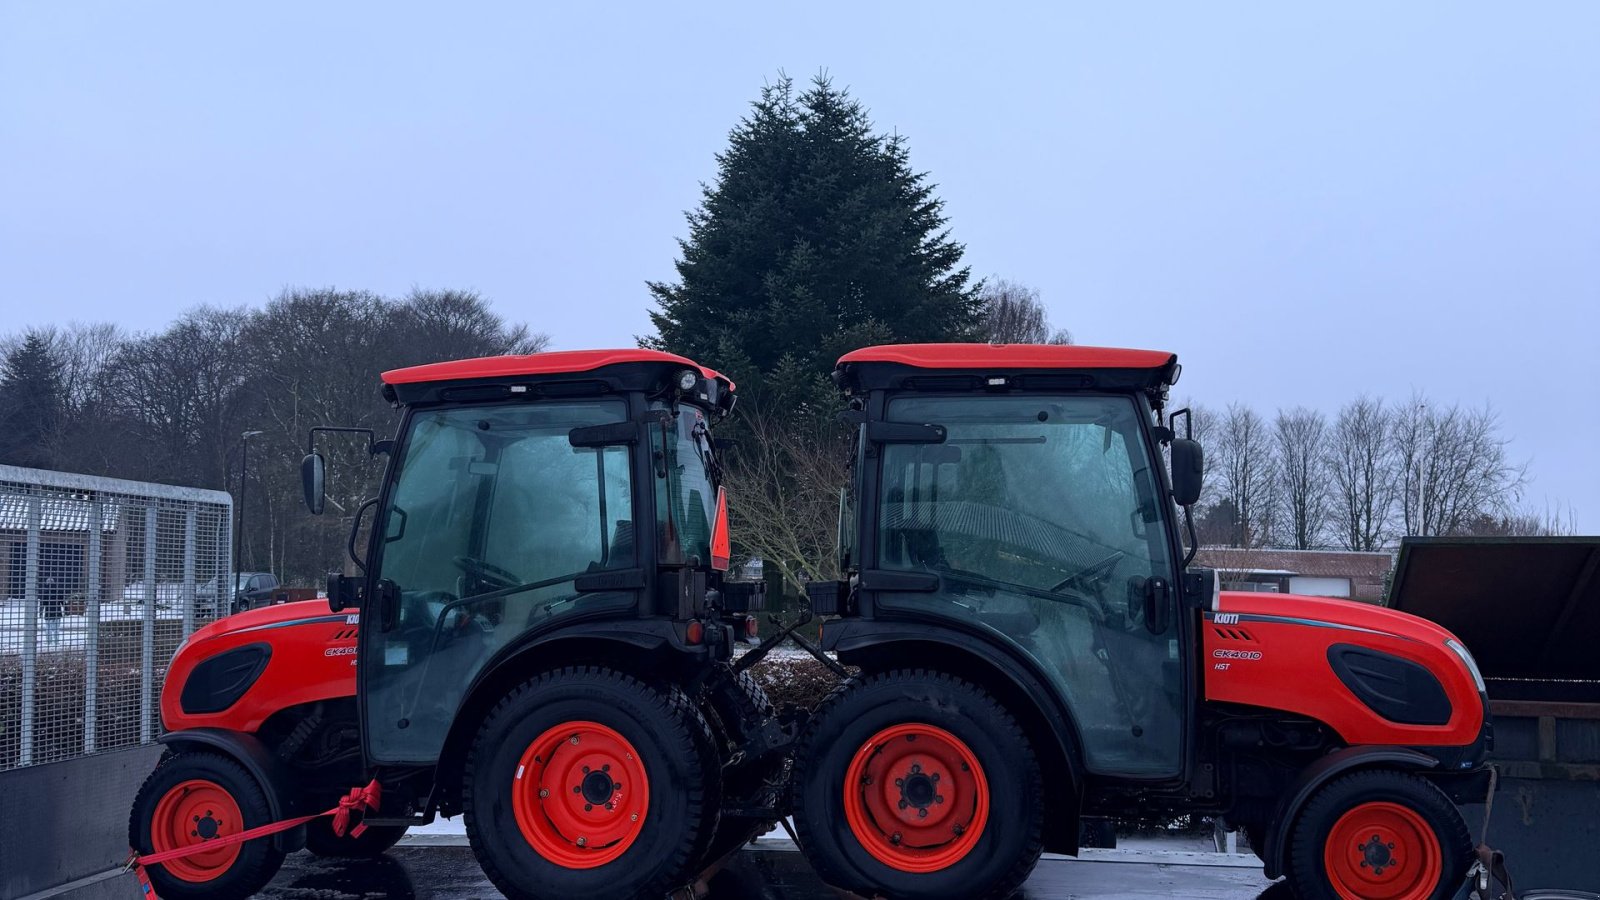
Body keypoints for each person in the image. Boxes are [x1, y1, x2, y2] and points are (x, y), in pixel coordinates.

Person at [41, 573, 65, 645]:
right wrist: (66, 610)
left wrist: (40, 612)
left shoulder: (45, 593)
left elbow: (43, 604)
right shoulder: (58, 591)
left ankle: (49, 642)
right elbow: (63, 602)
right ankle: (56, 642)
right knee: (56, 629)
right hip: (57, 612)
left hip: (48, 612)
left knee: (48, 628)